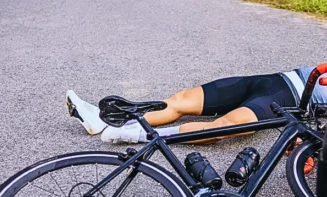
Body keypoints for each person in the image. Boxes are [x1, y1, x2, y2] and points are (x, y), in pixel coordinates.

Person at [66, 66, 327, 144]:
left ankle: (134, 134)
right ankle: (100, 120)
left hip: (287, 100)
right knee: (181, 100)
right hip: (275, 80)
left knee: (228, 127)